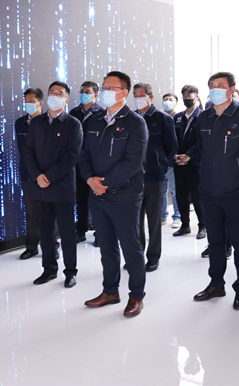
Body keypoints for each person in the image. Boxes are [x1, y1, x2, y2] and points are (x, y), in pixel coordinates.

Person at [78, 71, 148, 317]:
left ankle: (136, 296)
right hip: (97, 195)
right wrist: (90, 180)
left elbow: (132, 162)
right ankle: (110, 291)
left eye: (111, 87)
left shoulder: (135, 122)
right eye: (104, 86)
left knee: (131, 247)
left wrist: (105, 183)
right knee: (106, 246)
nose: (105, 91)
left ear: (123, 93)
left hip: (125, 195)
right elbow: (83, 154)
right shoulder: (94, 120)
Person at [192, 72, 239, 310]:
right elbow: (199, 149)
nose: (215, 89)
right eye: (211, 86)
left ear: (232, 89)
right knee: (215, 242)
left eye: (220, 86)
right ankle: (216, 284)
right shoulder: (204, 118)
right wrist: (188, 157)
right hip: (208, 191)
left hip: (235, 193)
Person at [23, 81, 83, 288]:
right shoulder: (37, 123)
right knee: (45, 232)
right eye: (52, 92)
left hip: (62, 187)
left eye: (60, 93)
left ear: (66, 100)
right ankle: (49, 269)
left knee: (67, 233)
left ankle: (70, 272)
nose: (54, 95)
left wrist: (48, 176)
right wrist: (37, 176)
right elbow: (28, 152)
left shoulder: (73, 124)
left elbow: (72, 156)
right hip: (39, 187)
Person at [133, 83, 178, 272]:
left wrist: (162, 163)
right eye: (135, 95)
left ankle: (153, 257)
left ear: (150, 97)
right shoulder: (132, 118)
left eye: (141, 95)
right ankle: (136, 256)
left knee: (154, 219)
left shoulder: (162, 118)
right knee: (135, 221)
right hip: (133, 176)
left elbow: (172, 146)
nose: (138, 99)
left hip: (155, 175)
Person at [69, 81, 105, 244]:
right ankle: (81, 230)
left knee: (97, 198)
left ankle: (100, 233)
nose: (84, 94)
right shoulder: (74, 112)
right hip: (77, 162)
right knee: (80, 198)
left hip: (95, 162)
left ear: (95, 95)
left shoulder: (102, 113)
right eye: (82, 91)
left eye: (88, 92)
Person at [172, 85, 206, 240]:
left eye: (189, 95)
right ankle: (185, 225)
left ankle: (203, 225)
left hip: (196, 164)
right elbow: (172, 139)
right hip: (179, 163)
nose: (186, 98)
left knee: (197, 196)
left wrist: (189, 156)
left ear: (196, 97)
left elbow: (203, 142)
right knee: (181, 195)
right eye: (184, 96)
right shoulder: (178, 117)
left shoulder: (203, 117)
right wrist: (175, 155)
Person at [15, 87, 44, 260]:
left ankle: (51, 246)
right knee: (31, 212)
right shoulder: (20, 123)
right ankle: (31, 246)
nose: (28, 104)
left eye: (32, 102)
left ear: (40, 103)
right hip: (27, 174)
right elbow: (22, 150)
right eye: (26, 101)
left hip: (45, 176)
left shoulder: (48, 122)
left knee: (48, 212)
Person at [161, 93, 182, 228]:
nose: (167, 102)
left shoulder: (179, 118)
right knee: (161, 191)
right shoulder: (159, 117)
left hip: (174, 160)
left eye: (170, 100)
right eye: (165, 100)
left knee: (174, 191)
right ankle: (162, 215)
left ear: (176, 102)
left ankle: (177, 216)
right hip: (160, 161)